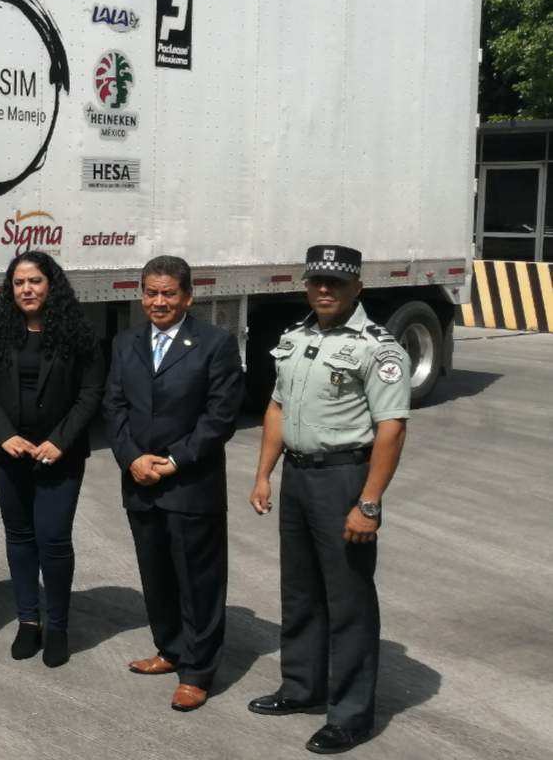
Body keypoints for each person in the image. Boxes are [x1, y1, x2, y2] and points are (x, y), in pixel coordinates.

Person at [247, 245, 411, 755]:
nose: (325, 289)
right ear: (306, 284)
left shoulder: (378, 349)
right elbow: (276, 408)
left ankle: (351, 715)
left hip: (344, 479)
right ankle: (302, 687)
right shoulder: (296, 337)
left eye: (336, 282)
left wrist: (369, 503)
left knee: (348, 599)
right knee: (300, 591)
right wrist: (264, 475)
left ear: (357, 287)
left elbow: (391, 429)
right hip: (297, 476)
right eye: (317, 280)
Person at [102, 255, 244, 713]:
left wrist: (174, 460)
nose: (158, 302)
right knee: (156, 575)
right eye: (150, 293)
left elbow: (220, 416)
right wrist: (131, 457)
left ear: (188, 297)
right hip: (140, 480)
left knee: (198, 582)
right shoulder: (125, 343)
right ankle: (169, 649)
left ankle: (197, 672)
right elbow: (114, 407)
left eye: (168, 293)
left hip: (190, 484)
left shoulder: (215, 344)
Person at [0, 250, 102, 668]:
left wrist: (60, 441)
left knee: (54, 538)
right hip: (9, 454)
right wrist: (5, 435)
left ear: (51, 285)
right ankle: (29, 621)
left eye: (35, 281)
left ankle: (58, 626)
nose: (26, 289)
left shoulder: (77, 331)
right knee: (20, 537)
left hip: (60, 455)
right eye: (19, 282)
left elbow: (90, 392)